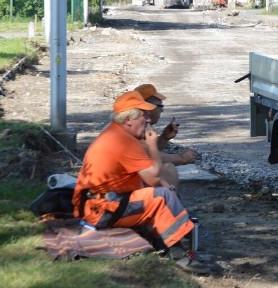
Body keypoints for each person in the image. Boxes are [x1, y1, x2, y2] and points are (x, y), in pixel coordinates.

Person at [72, 90, 212, 273]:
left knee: (163, 191)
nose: (148, 120)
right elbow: (153, 177)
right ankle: (180, 255)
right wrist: (153, 146)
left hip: (99, 204)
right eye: (143, 115)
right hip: (102, 209)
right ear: (128, 119)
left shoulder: (118, 134)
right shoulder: (123, 141)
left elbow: (148, 173)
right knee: (161, 197)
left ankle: (169, 244)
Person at [134, 83, 199, 188]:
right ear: (148, 108)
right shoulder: (133, 127)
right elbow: (148, 155)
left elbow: (147, 152)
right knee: (168, 169)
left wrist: (164, 138)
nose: (162, 110)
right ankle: (171, 202)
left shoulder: (135, 123)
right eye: (160, 106)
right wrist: (182, 158)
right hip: (116, 191)